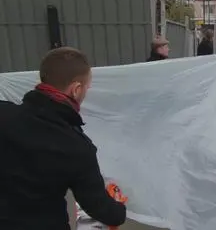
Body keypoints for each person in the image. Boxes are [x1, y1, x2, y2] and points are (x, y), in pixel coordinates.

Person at [0, 47, 127, 229]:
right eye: (87, 88)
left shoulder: (4, 114)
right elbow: (101, 209)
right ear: (76, 89)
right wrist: (119, 208)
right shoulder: (75, 146)